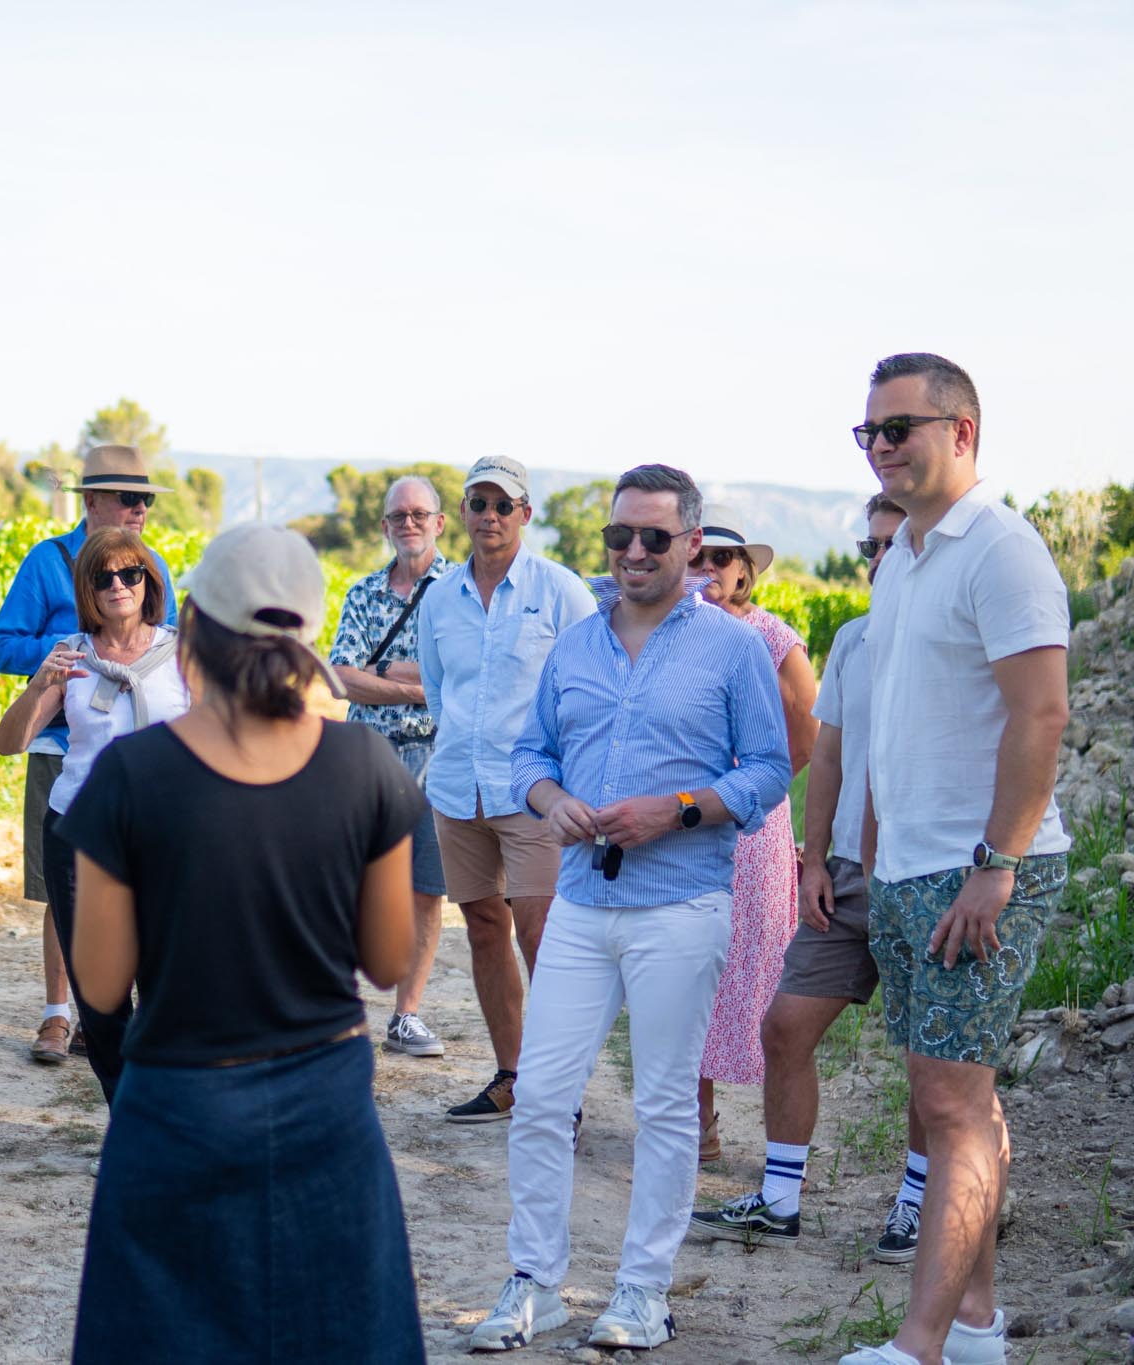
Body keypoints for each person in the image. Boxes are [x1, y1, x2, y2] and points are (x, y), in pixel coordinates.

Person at [59, 523, 425, 1365]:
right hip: (326, 1109)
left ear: (189, 625)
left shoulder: (132, 774)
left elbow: (104, 985)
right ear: (307, 634)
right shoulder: (366, 763)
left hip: (176, 1108)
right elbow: (389, 960)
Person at [468, 465, 790, 1353]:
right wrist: (548, 800)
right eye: (620, 537)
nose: (635, 552)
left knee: (664, 1107)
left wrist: (678, 808)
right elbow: (529, 751)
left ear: (693, 544)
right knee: (539, 1098)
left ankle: (643, 1290)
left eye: (654, 536)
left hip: (680, 905)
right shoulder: (575, 644)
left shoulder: (731, 649)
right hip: (580, 902)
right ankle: (535, 1281)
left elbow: (767, 768)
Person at [839, 355, 1070, 1365]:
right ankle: (974, 1327)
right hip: (906, 871)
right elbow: (897, 718)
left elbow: (1041, 710)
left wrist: (994, 863)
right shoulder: (905, 556)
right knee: (951, 1101)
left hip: (975, 872)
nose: (883, 446)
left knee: (949, 1107)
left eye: (901, 427)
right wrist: (873, 849)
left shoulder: (1000, 550)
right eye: (869, 433)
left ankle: (918, 1345)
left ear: (961, 431)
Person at [691, 493, 932, 1262]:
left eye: (898, 545)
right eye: (873, 547)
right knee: (785, 1026)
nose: (880, 561)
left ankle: (921, 1201)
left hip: (933, 873)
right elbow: (825, 756)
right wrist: (815, 856)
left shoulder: (958, 640)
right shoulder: (855, 641)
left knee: (931, 1052)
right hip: (850, 876)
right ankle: (782, 1196)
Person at [416, 457, 596, 1122]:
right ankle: (513, 1077)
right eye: (478, 502)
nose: (489, 516)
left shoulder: (560, 590)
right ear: (461, 512)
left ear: (524, 513)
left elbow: (590, 687)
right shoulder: (440, 597)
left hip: (533, 790)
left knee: (541, 935)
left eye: (502, 504)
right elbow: (439, 690)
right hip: (459, 786)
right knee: (485, 928)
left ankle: (560, 1093)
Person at [0, 444, 176, 1064]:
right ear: (91, 500)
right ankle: (58, 1014)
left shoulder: (158, 571)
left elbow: (166, 663)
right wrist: (71, 659)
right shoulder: (47, 563)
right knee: (57, 896)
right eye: (128, 497)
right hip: (65, 755)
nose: (139, 508)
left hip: (148, 789)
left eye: (145, 498)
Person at [686, 506, 820, 1162]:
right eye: (698, 556)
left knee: (752, 964)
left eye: (721, 558)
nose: (707, 568)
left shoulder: (773, 638)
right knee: (687, 960)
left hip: (751, 822)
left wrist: (751, 789)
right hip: (679, 816)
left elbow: (806, 736)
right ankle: (698, 1119)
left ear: (744, 573)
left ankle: (779, 1142)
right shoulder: (674, 631)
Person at [327, 475, 453, 1058]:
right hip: (368, 760)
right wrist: (416, 685)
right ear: (384, 526)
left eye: (419, 514)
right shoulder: (362, 593)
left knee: (427, 890)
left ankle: (406, 1015)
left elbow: (466, 679)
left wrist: (387, 679)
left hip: (439, 758)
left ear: (439, 523)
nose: (409, 523)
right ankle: (337, 1008)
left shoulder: (460, 591)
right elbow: (339, 678)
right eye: (398, 516)